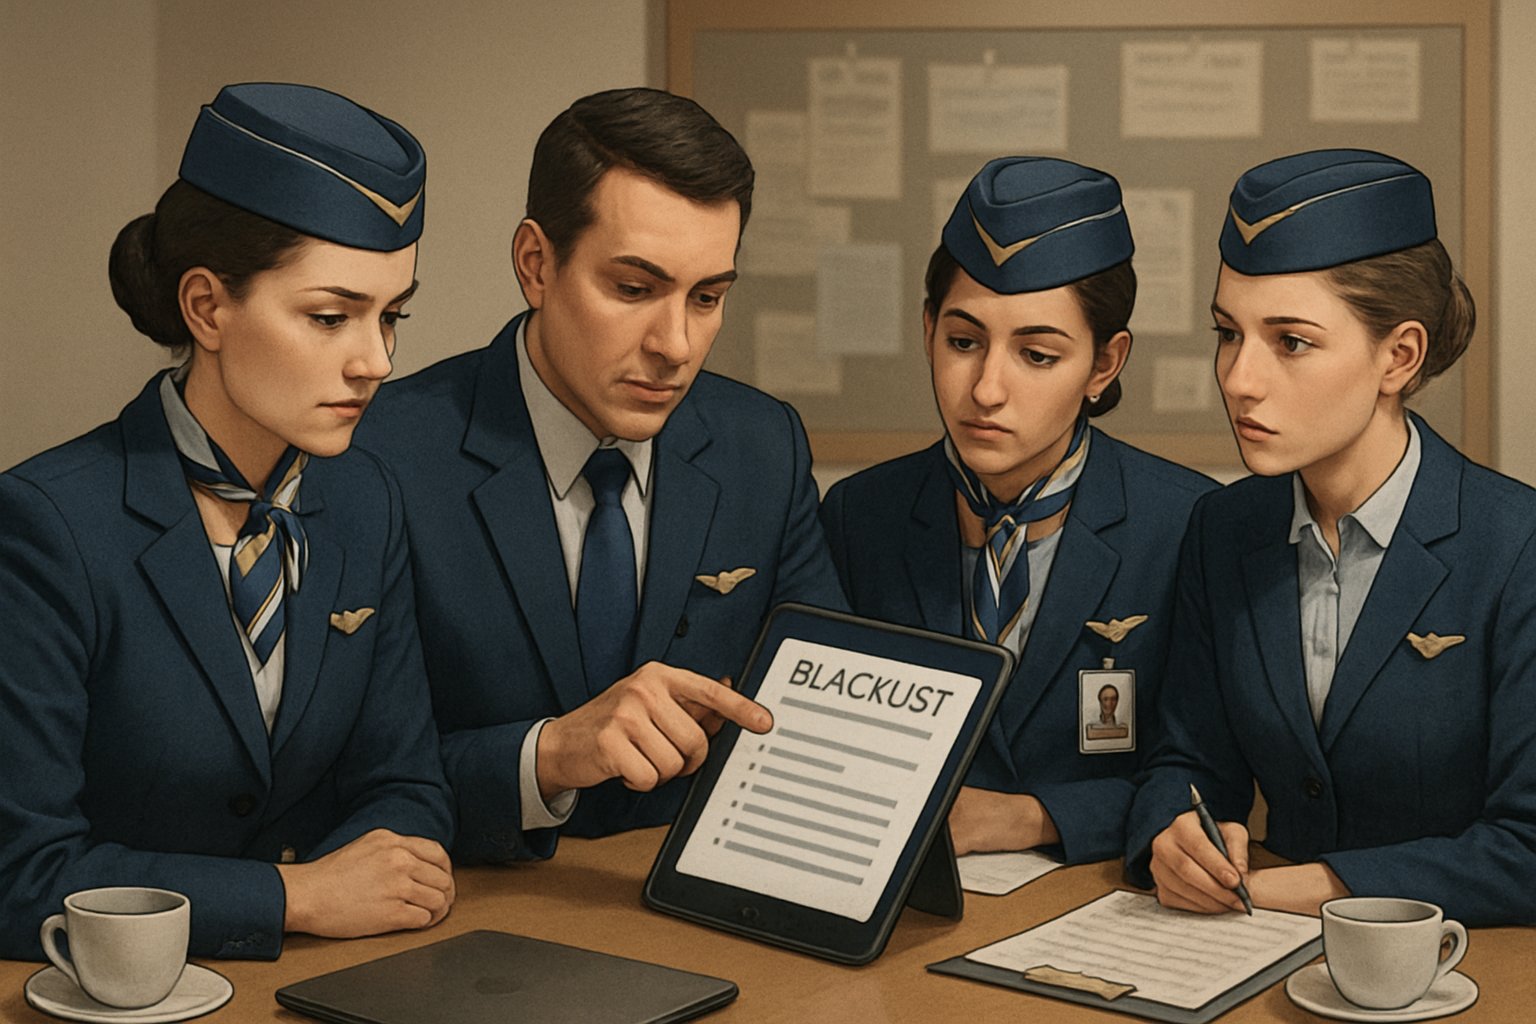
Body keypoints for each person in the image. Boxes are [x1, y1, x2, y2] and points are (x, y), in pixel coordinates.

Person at [0, 83, 456, 961]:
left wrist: (388, 868)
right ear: (207, 308)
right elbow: (20, 875)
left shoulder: (364, 501)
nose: (377, 361)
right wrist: (296, 896)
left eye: (392, 315)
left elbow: (403, 783)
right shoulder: (47, 526)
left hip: (335, 979)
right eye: (331, 317)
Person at [355, 87, 845, 864]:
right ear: (536, 264)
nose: (676, 345)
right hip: (471, 916)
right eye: (634, 289)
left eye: (708, 296)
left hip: (704, 908)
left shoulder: (763, 444)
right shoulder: (381, 455)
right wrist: (547, 757)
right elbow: (344, 776)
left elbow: (822, 719)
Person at [1125, 149, 1536, 926]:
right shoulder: (1226, 527)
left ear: (1399, 356)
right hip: (1261, 960)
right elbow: (1186, 760)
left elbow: (1527, 849)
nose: (1240, 378)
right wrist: (1174, 837)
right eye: (1227, 333)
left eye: (1292, 342)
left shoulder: (1515, 548)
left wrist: (1290, 889)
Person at [819, 158, 1214, 864]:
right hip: (905, 899)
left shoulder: (1188, 525)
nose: (986, 389)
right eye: (963, 343)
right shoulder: (859, 516)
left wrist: (1029, 818)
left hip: (1099, 898)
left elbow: (1205, 772)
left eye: (1036, 355)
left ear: (1104, 365)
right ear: (927, 328)